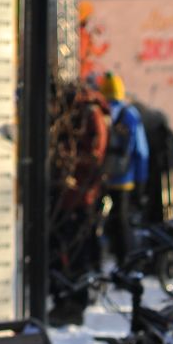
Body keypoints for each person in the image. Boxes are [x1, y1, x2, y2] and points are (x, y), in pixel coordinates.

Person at [49, 82, 110, 323]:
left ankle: (75, 303)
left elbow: (95, 156)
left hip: (79, 197)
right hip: (67, 196)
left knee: (76, 252)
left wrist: (68, 160)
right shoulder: (75, 115)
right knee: (62, 248)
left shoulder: (90, 115)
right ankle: (64, 299)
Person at [97, 73, 149, 269]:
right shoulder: (130, 114)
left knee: (101, 220)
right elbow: (141, 150)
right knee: (122, 221)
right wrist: (141, 180)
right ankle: (125, 264)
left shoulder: (101, 112)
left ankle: (98, 262)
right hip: (124, 177)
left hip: (101, 177)